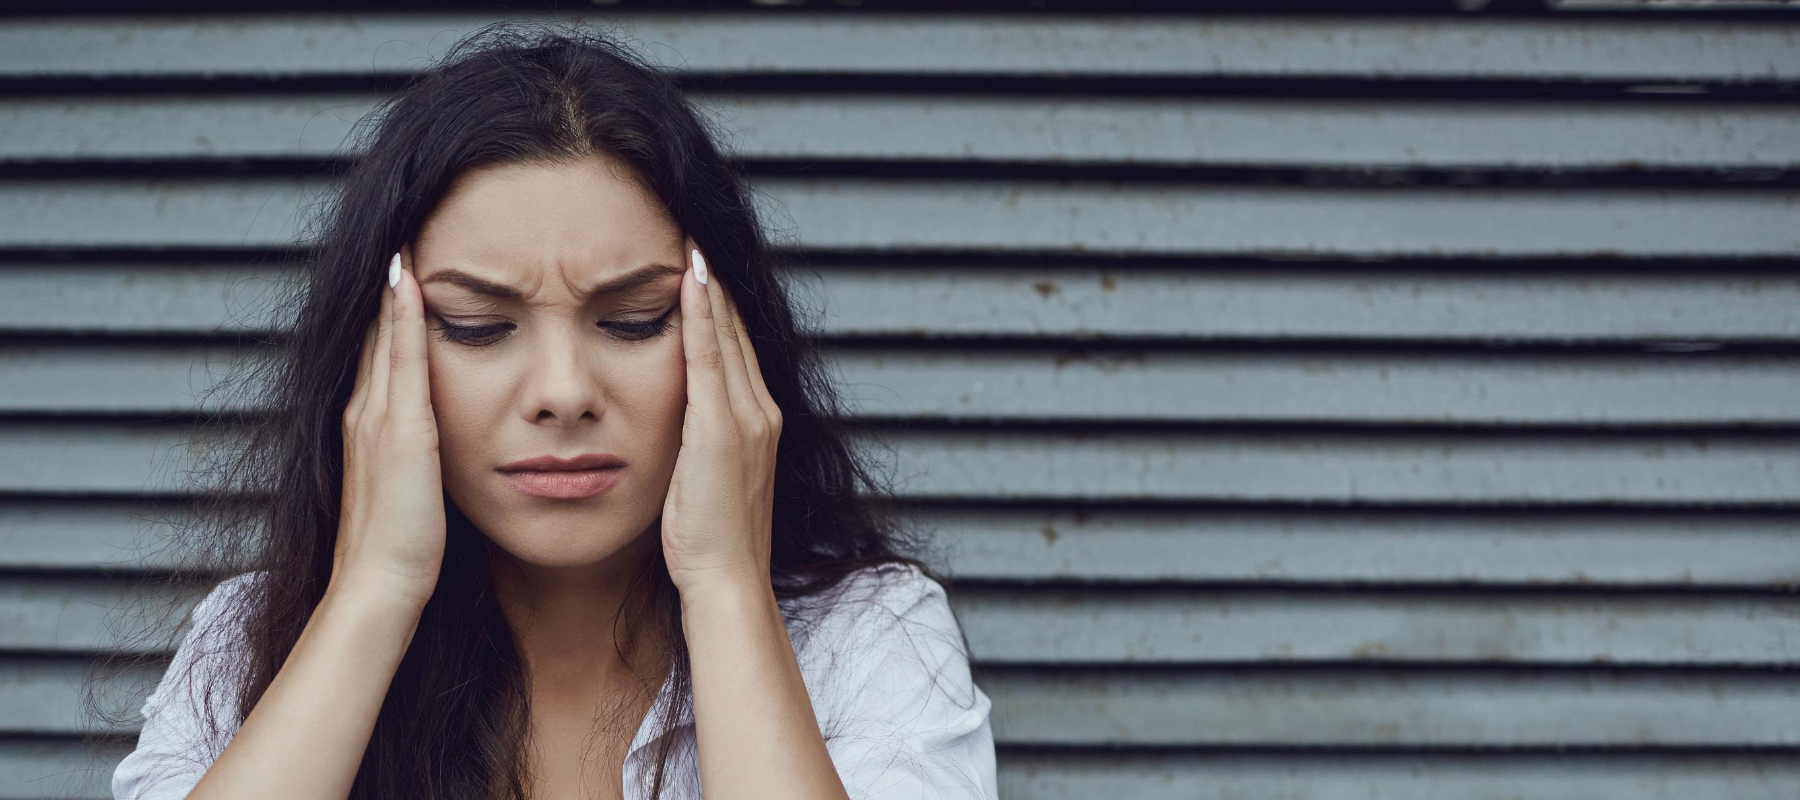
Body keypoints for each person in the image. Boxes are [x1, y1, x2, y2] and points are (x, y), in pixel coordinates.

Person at [107, 22, 996, 800]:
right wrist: (373, 595)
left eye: (635, 320)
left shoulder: (868, 640)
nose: (563, 393)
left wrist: (726, 588)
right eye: (478, 327)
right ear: (375, 355)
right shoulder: (249, 641)